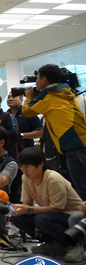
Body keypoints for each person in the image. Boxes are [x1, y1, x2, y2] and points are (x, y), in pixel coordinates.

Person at [22, 64, 86, 200]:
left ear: (45, 80)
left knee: (81, 187)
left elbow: (27, 111)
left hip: (73, 144)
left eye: (38, 78)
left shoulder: (50, 97)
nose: (36, 82)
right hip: (78, 142)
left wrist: (29, 97)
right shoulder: (63, 92)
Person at [10, 147, 83, 263]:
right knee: (17, 218)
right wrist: (20, 209)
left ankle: (74, 244)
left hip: (71, 217)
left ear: (40, 164)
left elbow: (57, 208)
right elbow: (27, 203)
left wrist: (29, 209)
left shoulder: (53, 179)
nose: (24, 170)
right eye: (22, 166)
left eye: (28, 166)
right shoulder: (26, 178)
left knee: (41, 219)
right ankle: (54, 243)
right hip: (52, 214)